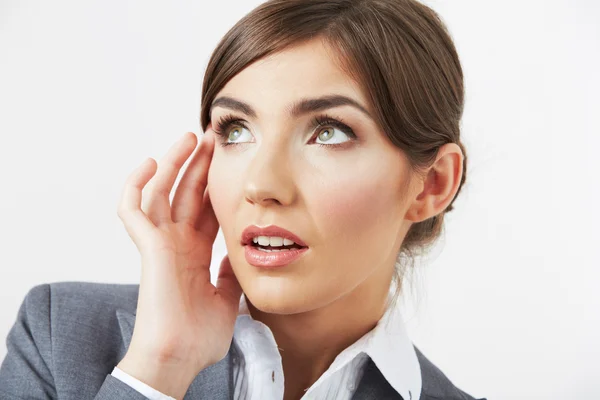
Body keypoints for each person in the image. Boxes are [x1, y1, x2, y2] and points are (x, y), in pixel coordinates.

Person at [0, 0, 487, 399]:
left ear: (431, 185)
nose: (261, 184)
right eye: (237, 130)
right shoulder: (60, 338)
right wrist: (158, 370)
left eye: (329, 132)